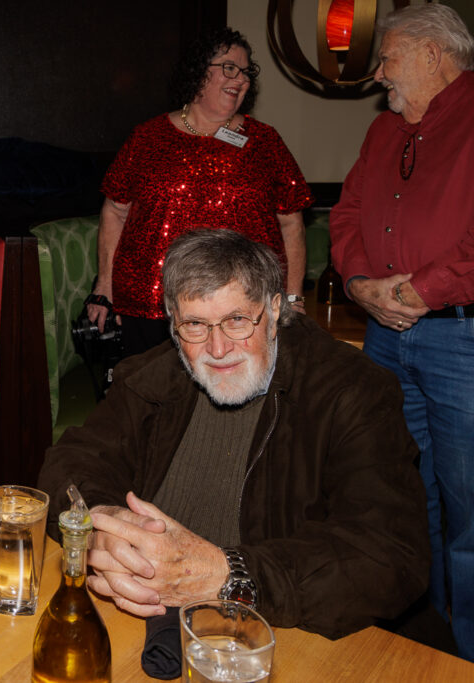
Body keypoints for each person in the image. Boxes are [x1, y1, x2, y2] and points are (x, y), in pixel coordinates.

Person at [39, 229, 429, 639]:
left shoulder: (352, 391)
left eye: (237, 320)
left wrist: (231, 576)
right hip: (147, 622)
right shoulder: (151, 377)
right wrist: (101, 524)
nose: (218, 348)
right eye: (195, 324)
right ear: (173, 324)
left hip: (287, 636)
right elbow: (71, 463)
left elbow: (391, 554)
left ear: (274, 311)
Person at [329, 3, 474, 660]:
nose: (379, 73)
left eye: (387, 57)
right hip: (386, 337)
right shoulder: (384, 129)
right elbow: (347, 213)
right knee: (403, 498)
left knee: (468, 512)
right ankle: (422, 645)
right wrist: (361, 284)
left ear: (431, 54)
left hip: (460, 340)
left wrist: (422, 290)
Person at [88, 27, 312, 358]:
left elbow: (292, 224)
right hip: (152, 305)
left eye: (246, 71)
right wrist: (105, 287)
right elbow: (115, 211)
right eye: (229, 68)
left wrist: (293, 298)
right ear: (197, 72)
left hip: (242, 309)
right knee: (151, 388)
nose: (241, 78)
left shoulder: (265, 142)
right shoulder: (147, 138)